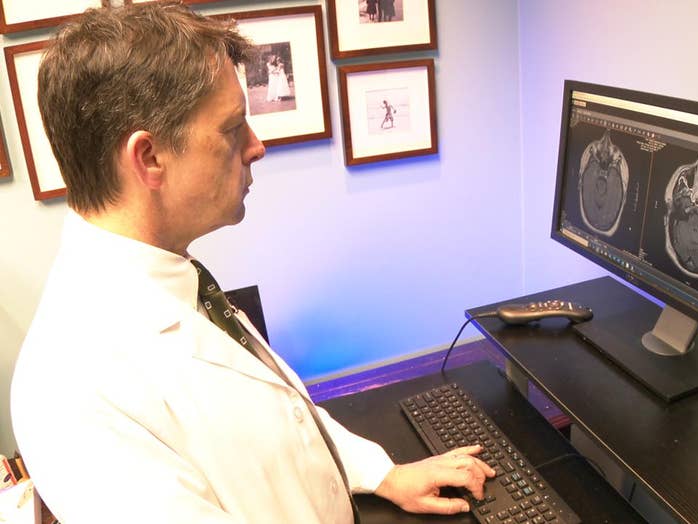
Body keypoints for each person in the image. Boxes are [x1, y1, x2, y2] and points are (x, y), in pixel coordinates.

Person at [10, 3, 494, 523]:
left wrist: (381, 473)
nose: (256, 146)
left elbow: (281, 425)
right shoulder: (72, 394)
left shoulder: (175, 279)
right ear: (149, 158)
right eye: (233, 126)